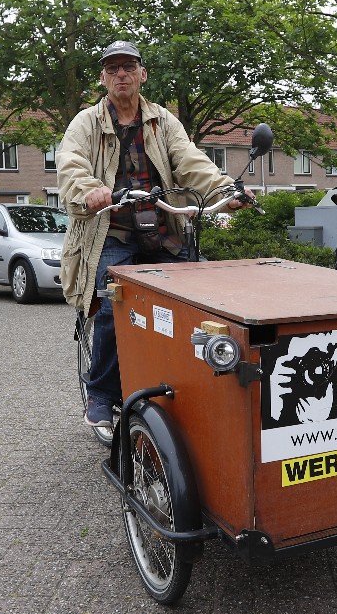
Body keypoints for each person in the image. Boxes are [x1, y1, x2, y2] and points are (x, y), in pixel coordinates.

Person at [58, 40, 236, 429]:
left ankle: (191, 380)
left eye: (128, 66)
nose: (121, 74)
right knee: (113, 304)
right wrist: (91, 190)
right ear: (103, 78)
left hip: (162, 230)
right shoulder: (86, 123)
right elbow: (70, 164)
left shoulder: (162, 121)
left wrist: (225, 190)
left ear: (143, 73)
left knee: (198, 298)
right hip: (111, 232)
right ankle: (101, 393)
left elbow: (190, 162)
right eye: (113, 68)